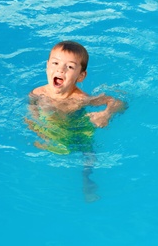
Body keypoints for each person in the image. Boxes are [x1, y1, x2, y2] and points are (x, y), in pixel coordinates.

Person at [26, 40, 125, 202]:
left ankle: (87, 182)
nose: (60, 69)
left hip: (78, 131)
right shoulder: (38, 93)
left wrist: (106, 114)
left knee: (89, 157)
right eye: (55, 63)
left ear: (81, 76)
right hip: (52, 130)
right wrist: (36, 125)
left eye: (70, 67)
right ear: (47, 66)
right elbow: (31, 107)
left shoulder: (80, 99)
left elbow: (118, 102)